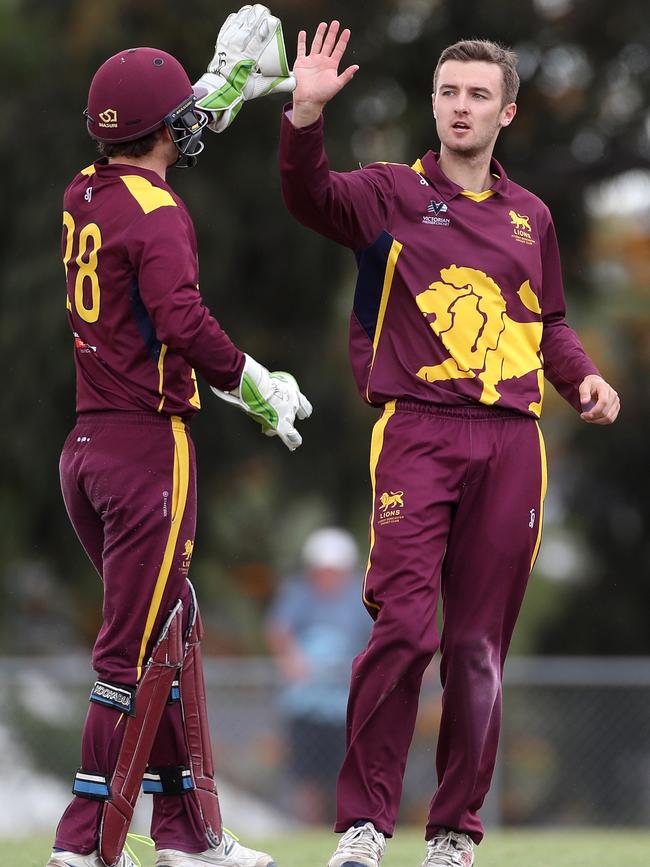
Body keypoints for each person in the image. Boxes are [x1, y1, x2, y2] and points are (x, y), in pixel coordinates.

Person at [278, 22, 620, 867]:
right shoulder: (390, 192)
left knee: (477, 646)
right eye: (448, 93)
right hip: (418, 434)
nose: (460, 107)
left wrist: (582, 378)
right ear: (433, 104)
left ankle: (455, 834)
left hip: (512, 443)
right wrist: (304, 118)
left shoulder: (530, 218)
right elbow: (311, 195)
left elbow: (548, 325)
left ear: (506, 112)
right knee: (402, 626)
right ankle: (362, 827)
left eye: (477, 95)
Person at [49, 23, 310, 867]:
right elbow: (184, 323)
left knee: (173, 625)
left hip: (87, 449)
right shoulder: (161, 214)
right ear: (163, 132)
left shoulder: (81, 192)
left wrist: (205, 95)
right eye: (180, 122)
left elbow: (152, 145)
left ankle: (187, 834)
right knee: (129, 652)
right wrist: (259, 385)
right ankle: (82, 844)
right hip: (148, 452)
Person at [266, 527, 371, 824]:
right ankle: (309, 827)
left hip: (345, 704)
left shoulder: (359, 597)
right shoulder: (297, 593)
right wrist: (292, 659)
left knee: (345, 771)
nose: (328, 577)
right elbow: (279, 631)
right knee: (306, 775)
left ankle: (346, 828)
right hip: (306, 702)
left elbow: (375, 635)